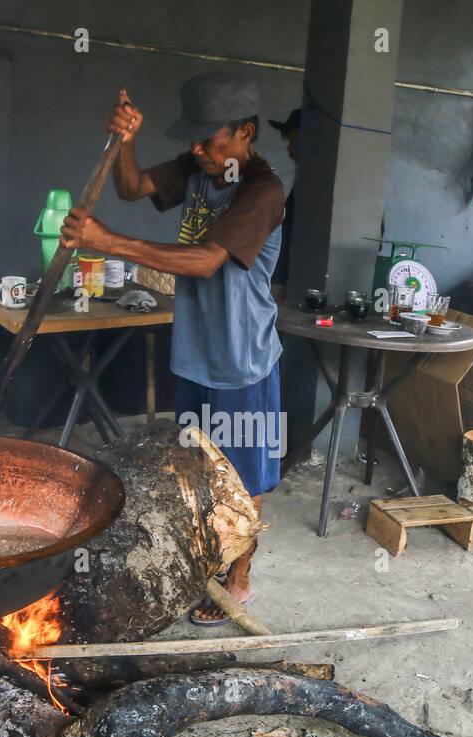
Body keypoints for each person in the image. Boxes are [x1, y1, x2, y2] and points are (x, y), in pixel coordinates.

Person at [59, 73, 285, 625]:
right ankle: (205, 560)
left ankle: (240, 577)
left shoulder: (261, 189)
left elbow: (206, 260)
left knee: (243, 477)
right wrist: (127, 139)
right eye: (195, 140)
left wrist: (109, 242)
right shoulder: (201, 167)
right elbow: (132, 187)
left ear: (245, 133)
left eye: (211, 140)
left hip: (241, 361)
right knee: (197, 470)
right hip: (195, 353)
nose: (198, 149)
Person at [268, 108, 300, 303]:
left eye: (293, 140)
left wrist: (290, 284)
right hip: (278, 276)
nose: (289, 148)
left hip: (287, 281)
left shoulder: (319, 188)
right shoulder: (302, 181)